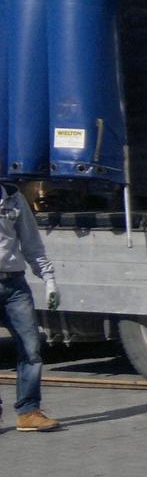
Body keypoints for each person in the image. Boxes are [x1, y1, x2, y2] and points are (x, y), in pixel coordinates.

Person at [0, 181, 60, 432]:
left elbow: (31, 242)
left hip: (15, 286)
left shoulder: (13, 198)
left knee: (31, 349)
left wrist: (49, 280)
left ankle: (28, 411)